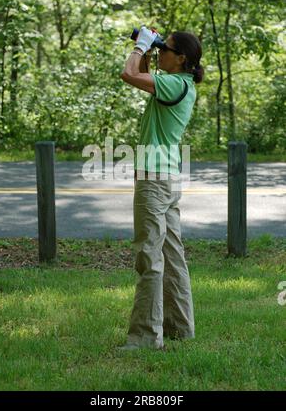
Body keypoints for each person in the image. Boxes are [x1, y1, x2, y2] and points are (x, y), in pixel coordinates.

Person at [119, 26, 204, 351]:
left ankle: (144, 337)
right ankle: (180, 327)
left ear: (181, 58)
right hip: (167, 177)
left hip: (154, 180)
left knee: (149, 255)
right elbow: (142, 77)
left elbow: (129, 74)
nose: (161, 53)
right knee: (172, 255)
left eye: (165, 49)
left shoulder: (172, 84)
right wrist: (150, 51)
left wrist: (141, 48)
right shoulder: (179, 84)